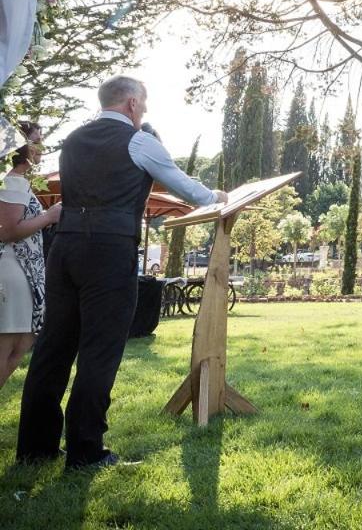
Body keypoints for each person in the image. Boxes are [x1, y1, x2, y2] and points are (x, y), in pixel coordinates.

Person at [18, 76, 227, 468]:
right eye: (143, 105)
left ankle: (34, 448)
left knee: (53, 348)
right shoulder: (140, 140)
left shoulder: (74, 140)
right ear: (132, 103)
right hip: (109, 250)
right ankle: (86, 451)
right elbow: (191, 191)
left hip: (64, 248)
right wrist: (219, 197)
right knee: (100, 351)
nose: (144, 112)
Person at [0, 123, 62, 390]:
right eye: (36, 141)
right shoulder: (13, 181)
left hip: (25, 273)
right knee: (8, 347)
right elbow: (8, 231)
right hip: (13, 270)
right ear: (19, 146)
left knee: (21, 342)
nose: (41, 147)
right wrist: (48, 216)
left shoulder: (19, 181)